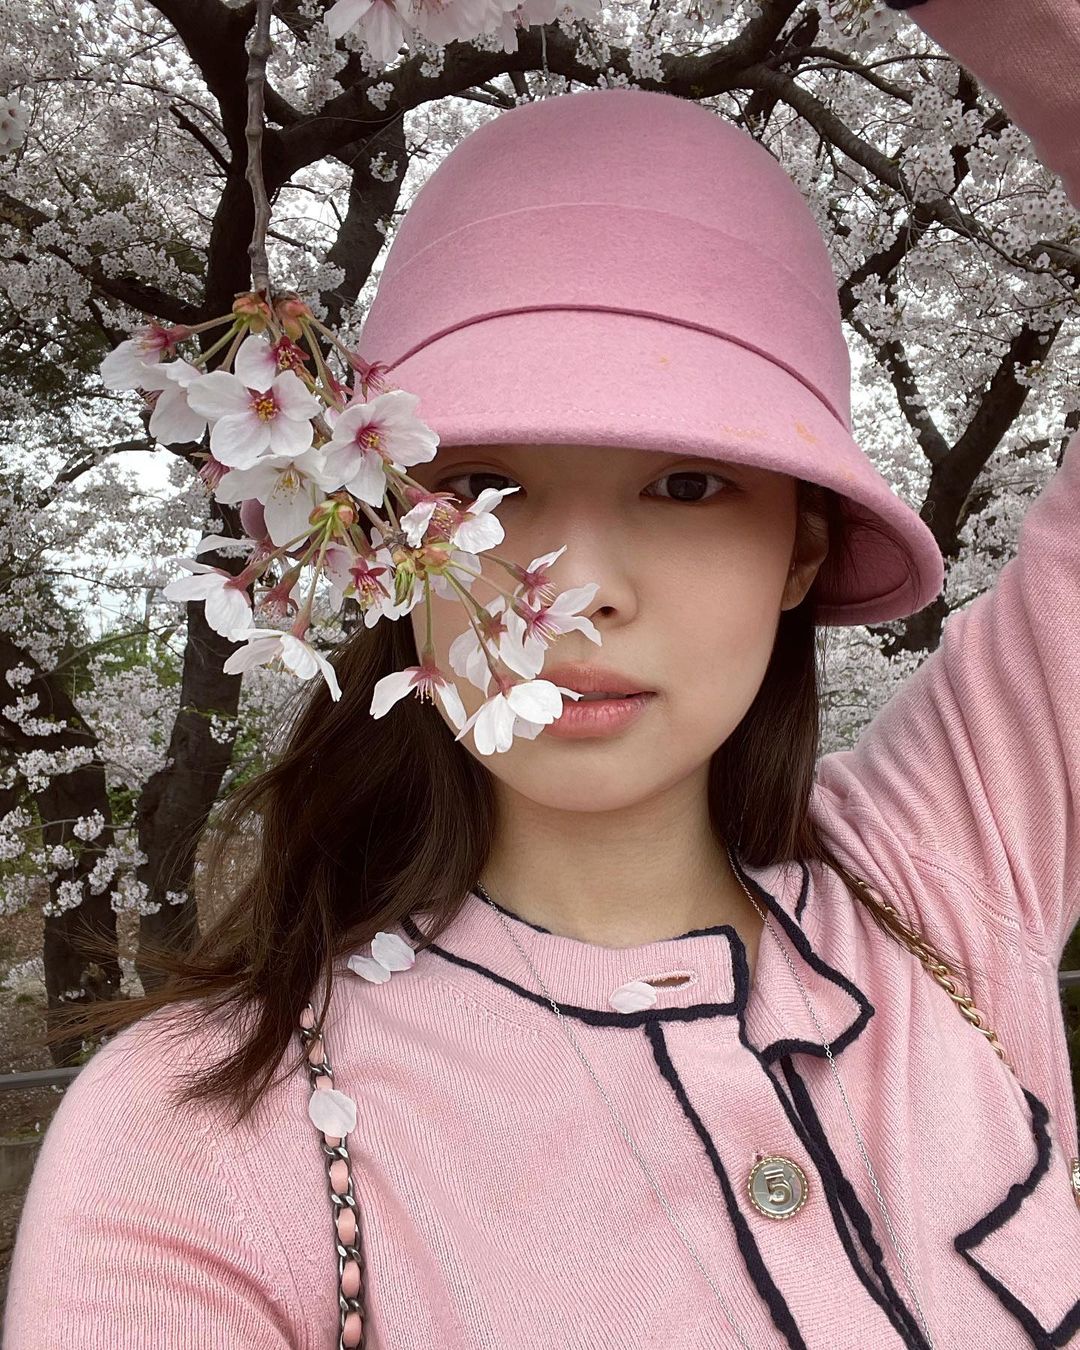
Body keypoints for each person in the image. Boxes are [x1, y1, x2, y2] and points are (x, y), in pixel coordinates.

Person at [5, 0, 1080, 1345]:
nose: (577, 589)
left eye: (687, 485)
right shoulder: (198, 1135)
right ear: (383, 537)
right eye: (483, 485)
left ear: (802, 550)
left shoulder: (944, 871)